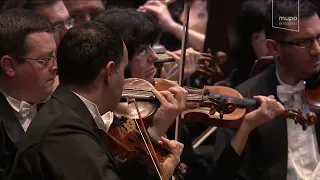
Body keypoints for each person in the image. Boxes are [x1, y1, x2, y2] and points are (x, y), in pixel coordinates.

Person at [93, 8, 287, 180]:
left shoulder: (165, 102)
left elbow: (210, 176)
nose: (154, 56)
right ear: (116, 62)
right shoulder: (103, 122)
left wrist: (246, 127)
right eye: (142, 51)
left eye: (152, 46)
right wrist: (157, 129)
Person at [9, 20, 184, 180]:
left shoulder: (67, 113)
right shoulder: (64, 131)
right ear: (109, 72)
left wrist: (156, 161)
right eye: (123, 70)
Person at [213, 0, 320, 179]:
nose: (317, 50)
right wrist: (246, 128)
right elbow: (223, 174)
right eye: (303, 42)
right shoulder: (244, 98)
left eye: (319, 37)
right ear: (274, 48)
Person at [0, 8, 57, 180]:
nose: (55, 67)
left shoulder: (56, 104)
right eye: (45, 60)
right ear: (9, 66)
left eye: (55, 56)